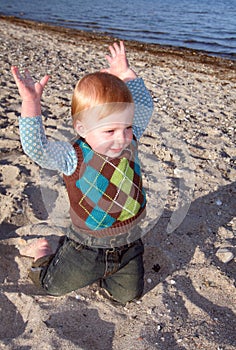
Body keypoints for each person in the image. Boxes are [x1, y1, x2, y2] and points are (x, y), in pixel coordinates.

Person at [11, 41, 154, 305]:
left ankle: (113, 273)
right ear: (82, 127)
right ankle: (44, 251)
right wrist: (31, 103)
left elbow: (145, 105)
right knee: (51, 286)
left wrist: (127, 74)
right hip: (86, 248)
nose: (121, 138)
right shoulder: (73, 156)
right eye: (109, 131)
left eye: (127, 127)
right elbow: (36, 149)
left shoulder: (130, 141)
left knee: (128, 295)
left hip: (130, 243)